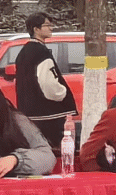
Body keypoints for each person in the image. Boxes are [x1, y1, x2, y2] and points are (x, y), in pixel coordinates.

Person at [13, 13, 77, 152]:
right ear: (36, 29)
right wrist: (62, 93)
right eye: (47, 25)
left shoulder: (24, 52)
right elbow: (47, 83)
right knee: (54, 151)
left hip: (29, 112)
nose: (51, 28)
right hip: (47, 115)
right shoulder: (41, 52)